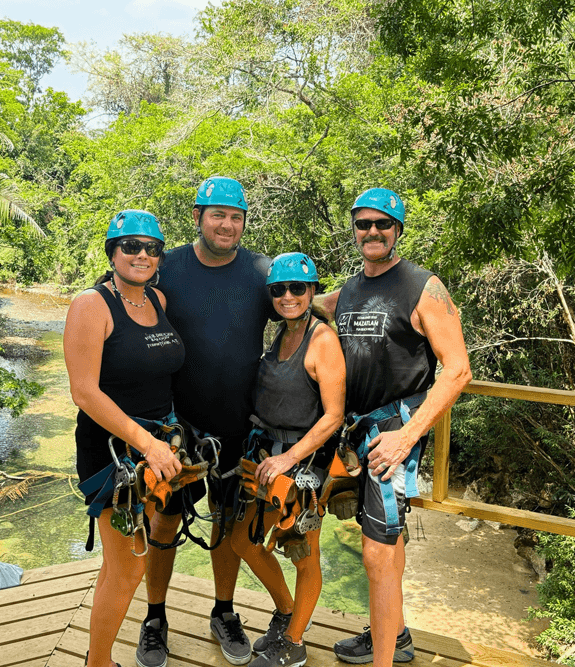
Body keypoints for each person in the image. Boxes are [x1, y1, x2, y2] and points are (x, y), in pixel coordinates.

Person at [315, 189, 472, 667]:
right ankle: (395, 635)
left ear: (398, 229)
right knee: (387, 540)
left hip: (395, 436)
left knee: (377, 553)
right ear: (355, 231)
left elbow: (458, 369)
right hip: (360, 436)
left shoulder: (423, 287)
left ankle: (384, 659)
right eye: (363, 224)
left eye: (383, 224)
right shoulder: (350, 289)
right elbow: (301, 304)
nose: (373, 232)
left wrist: (407, 437)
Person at [139, 176, 273, 667]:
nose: (227, 224)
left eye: (235, 216)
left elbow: (307, 305)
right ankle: (155, 618)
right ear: (198, 216)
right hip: (177, 425)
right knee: (165, 515)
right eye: (217, 214)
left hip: (239, 421)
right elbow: (122, 304)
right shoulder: (165, 266)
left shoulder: (261, 271)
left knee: (228, 515)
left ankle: (224, 611)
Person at [64, 210, 185, 667]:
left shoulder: (157, 301)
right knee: (131, 564)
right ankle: (98, 663)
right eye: (130, 245)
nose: (141, 254)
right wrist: (147, 443)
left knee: (120, 565)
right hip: (112, 452)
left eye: (151, 248)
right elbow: (84, 391)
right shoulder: (91, 305)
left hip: (155, 450)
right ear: (112, 252)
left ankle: (99, 657)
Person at [229, 252, 346, 667]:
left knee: (303, 552)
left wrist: (290, 459)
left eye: (298, 288)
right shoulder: (282, 333)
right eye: (278, 290)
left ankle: (294, 643)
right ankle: (286, 611)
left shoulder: (322, 341)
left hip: (304, 461)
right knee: (242, 538)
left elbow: (333, 415)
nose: (288, 296)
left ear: (311, 290)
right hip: (267, 453)